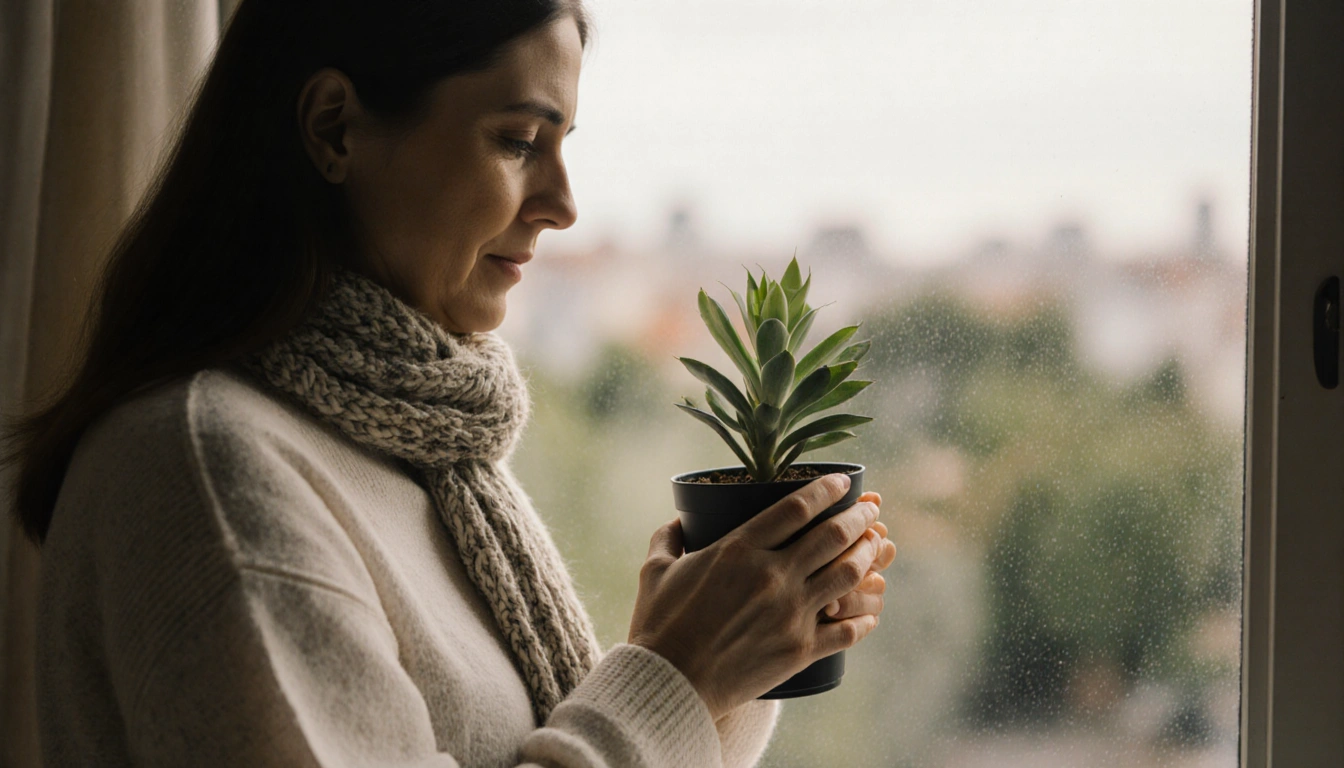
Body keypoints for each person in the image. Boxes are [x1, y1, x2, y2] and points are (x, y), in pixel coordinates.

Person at [1, 1, 897, 766]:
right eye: (518, 141)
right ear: (335, 128)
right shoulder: (201, 468)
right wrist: (675, 678)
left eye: (562, 145)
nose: (563, 204)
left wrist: (731, 660)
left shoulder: (414, 445)